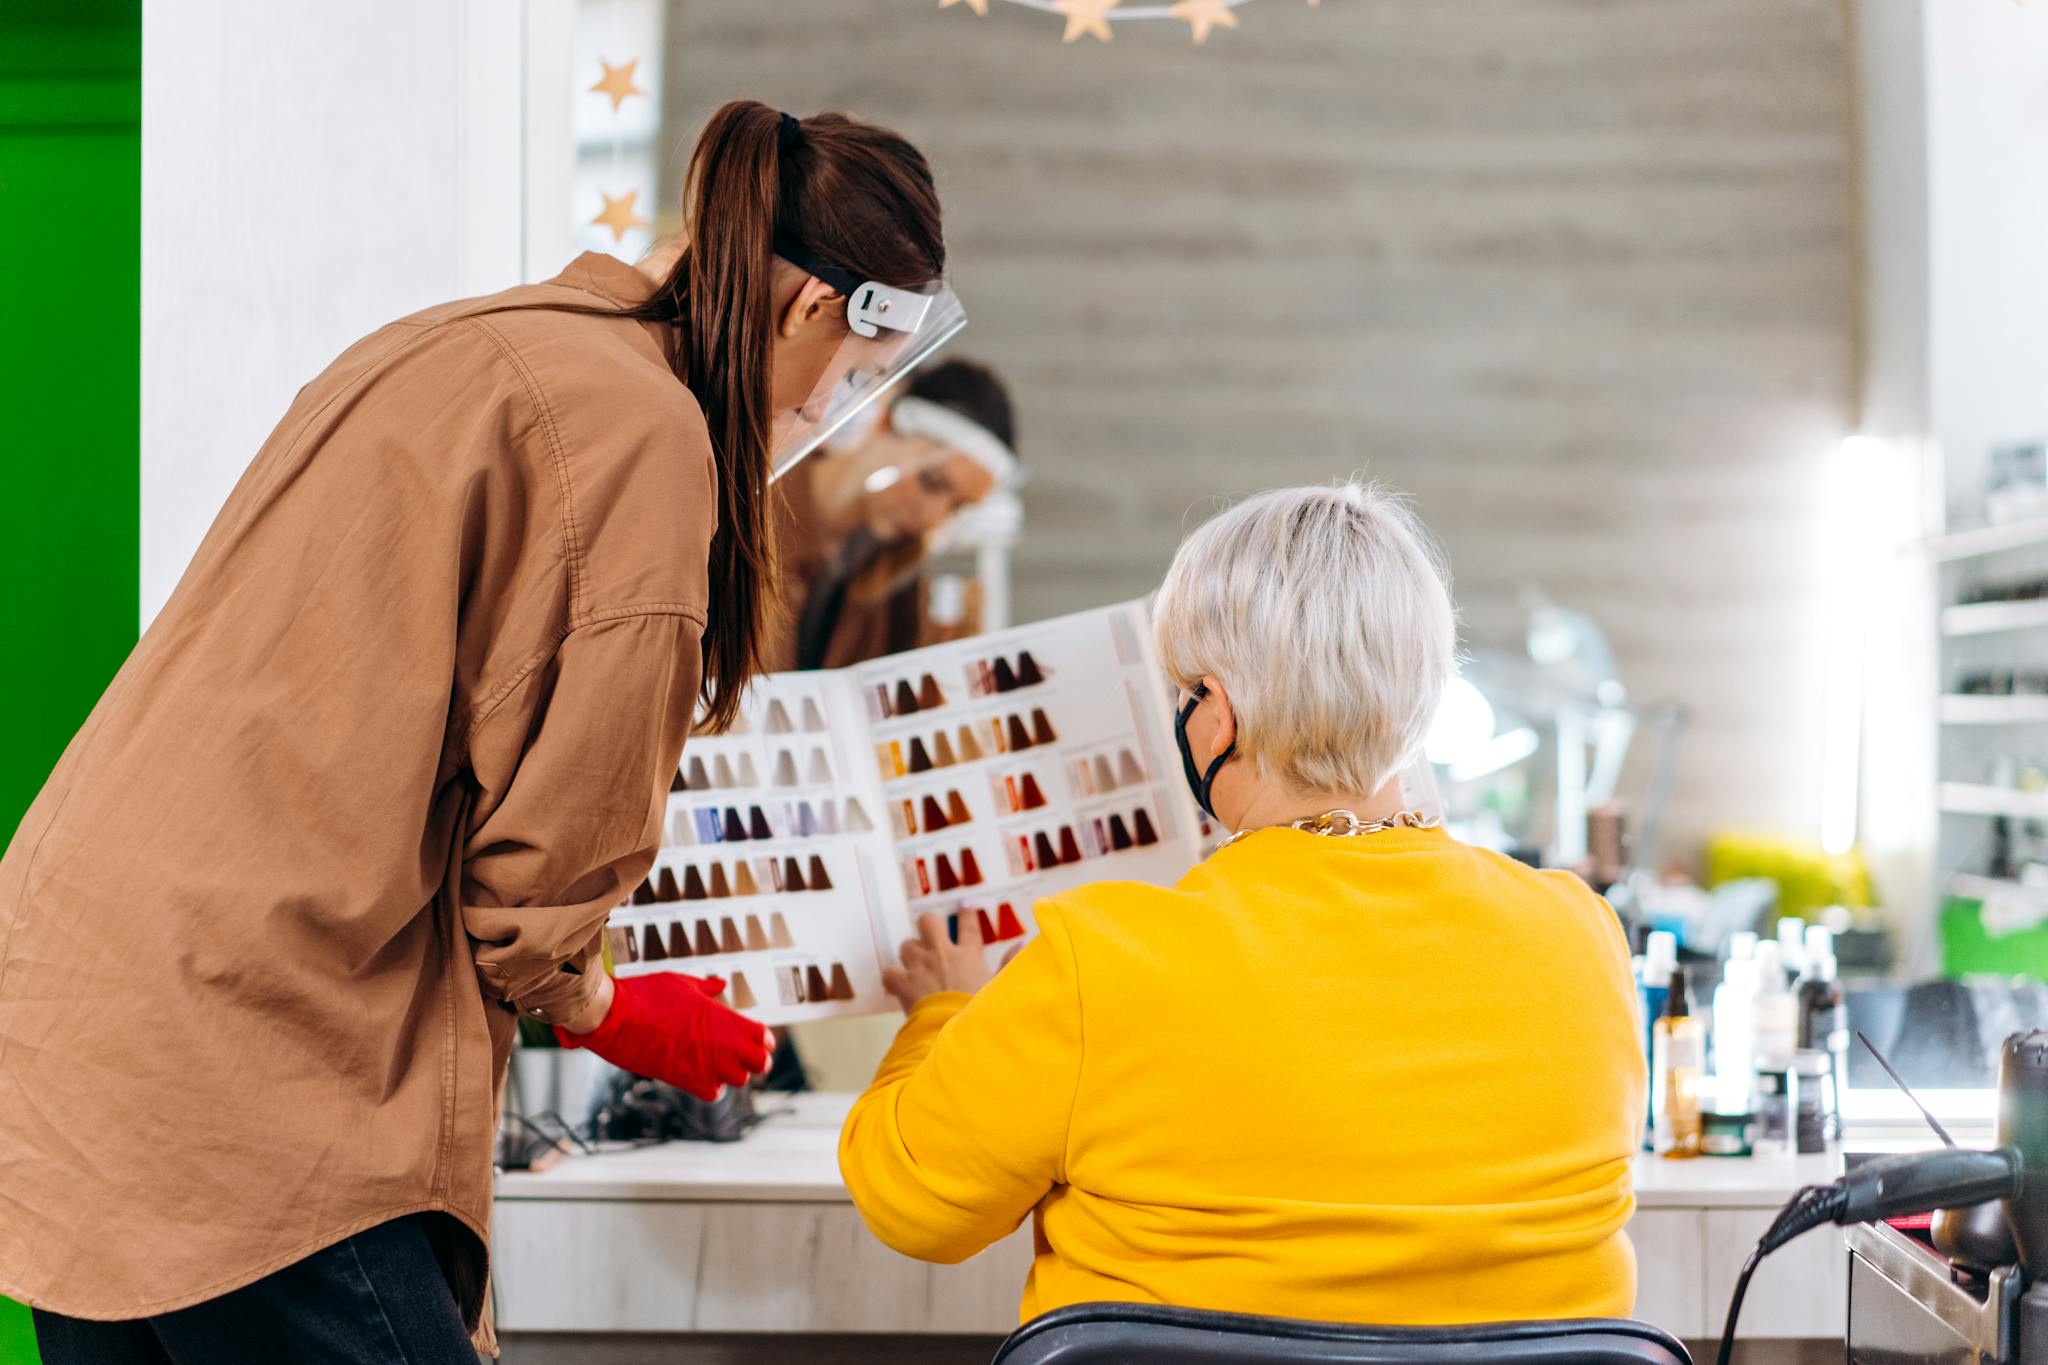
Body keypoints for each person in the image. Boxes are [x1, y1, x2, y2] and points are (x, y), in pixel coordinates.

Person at [0, 100, 946, 1363]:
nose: (834, 410)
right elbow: (542, 866)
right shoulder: (645, 434)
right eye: (856, 377)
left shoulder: (466, 342)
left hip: (79, 1003)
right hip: (252, 1051)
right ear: (817, 311)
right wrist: (605, 1001)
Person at [839, 483, 1646, 1327]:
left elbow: (911, 1203)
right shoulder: (1583, 934)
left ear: (1215, 717)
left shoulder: (1101, 960)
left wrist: (940, 1010)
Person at [766, 357, 1018, 670]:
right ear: (884, 421)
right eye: (932, 482)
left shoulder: (890, 591)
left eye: (957, 508)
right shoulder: (750, 513)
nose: (933, 518)